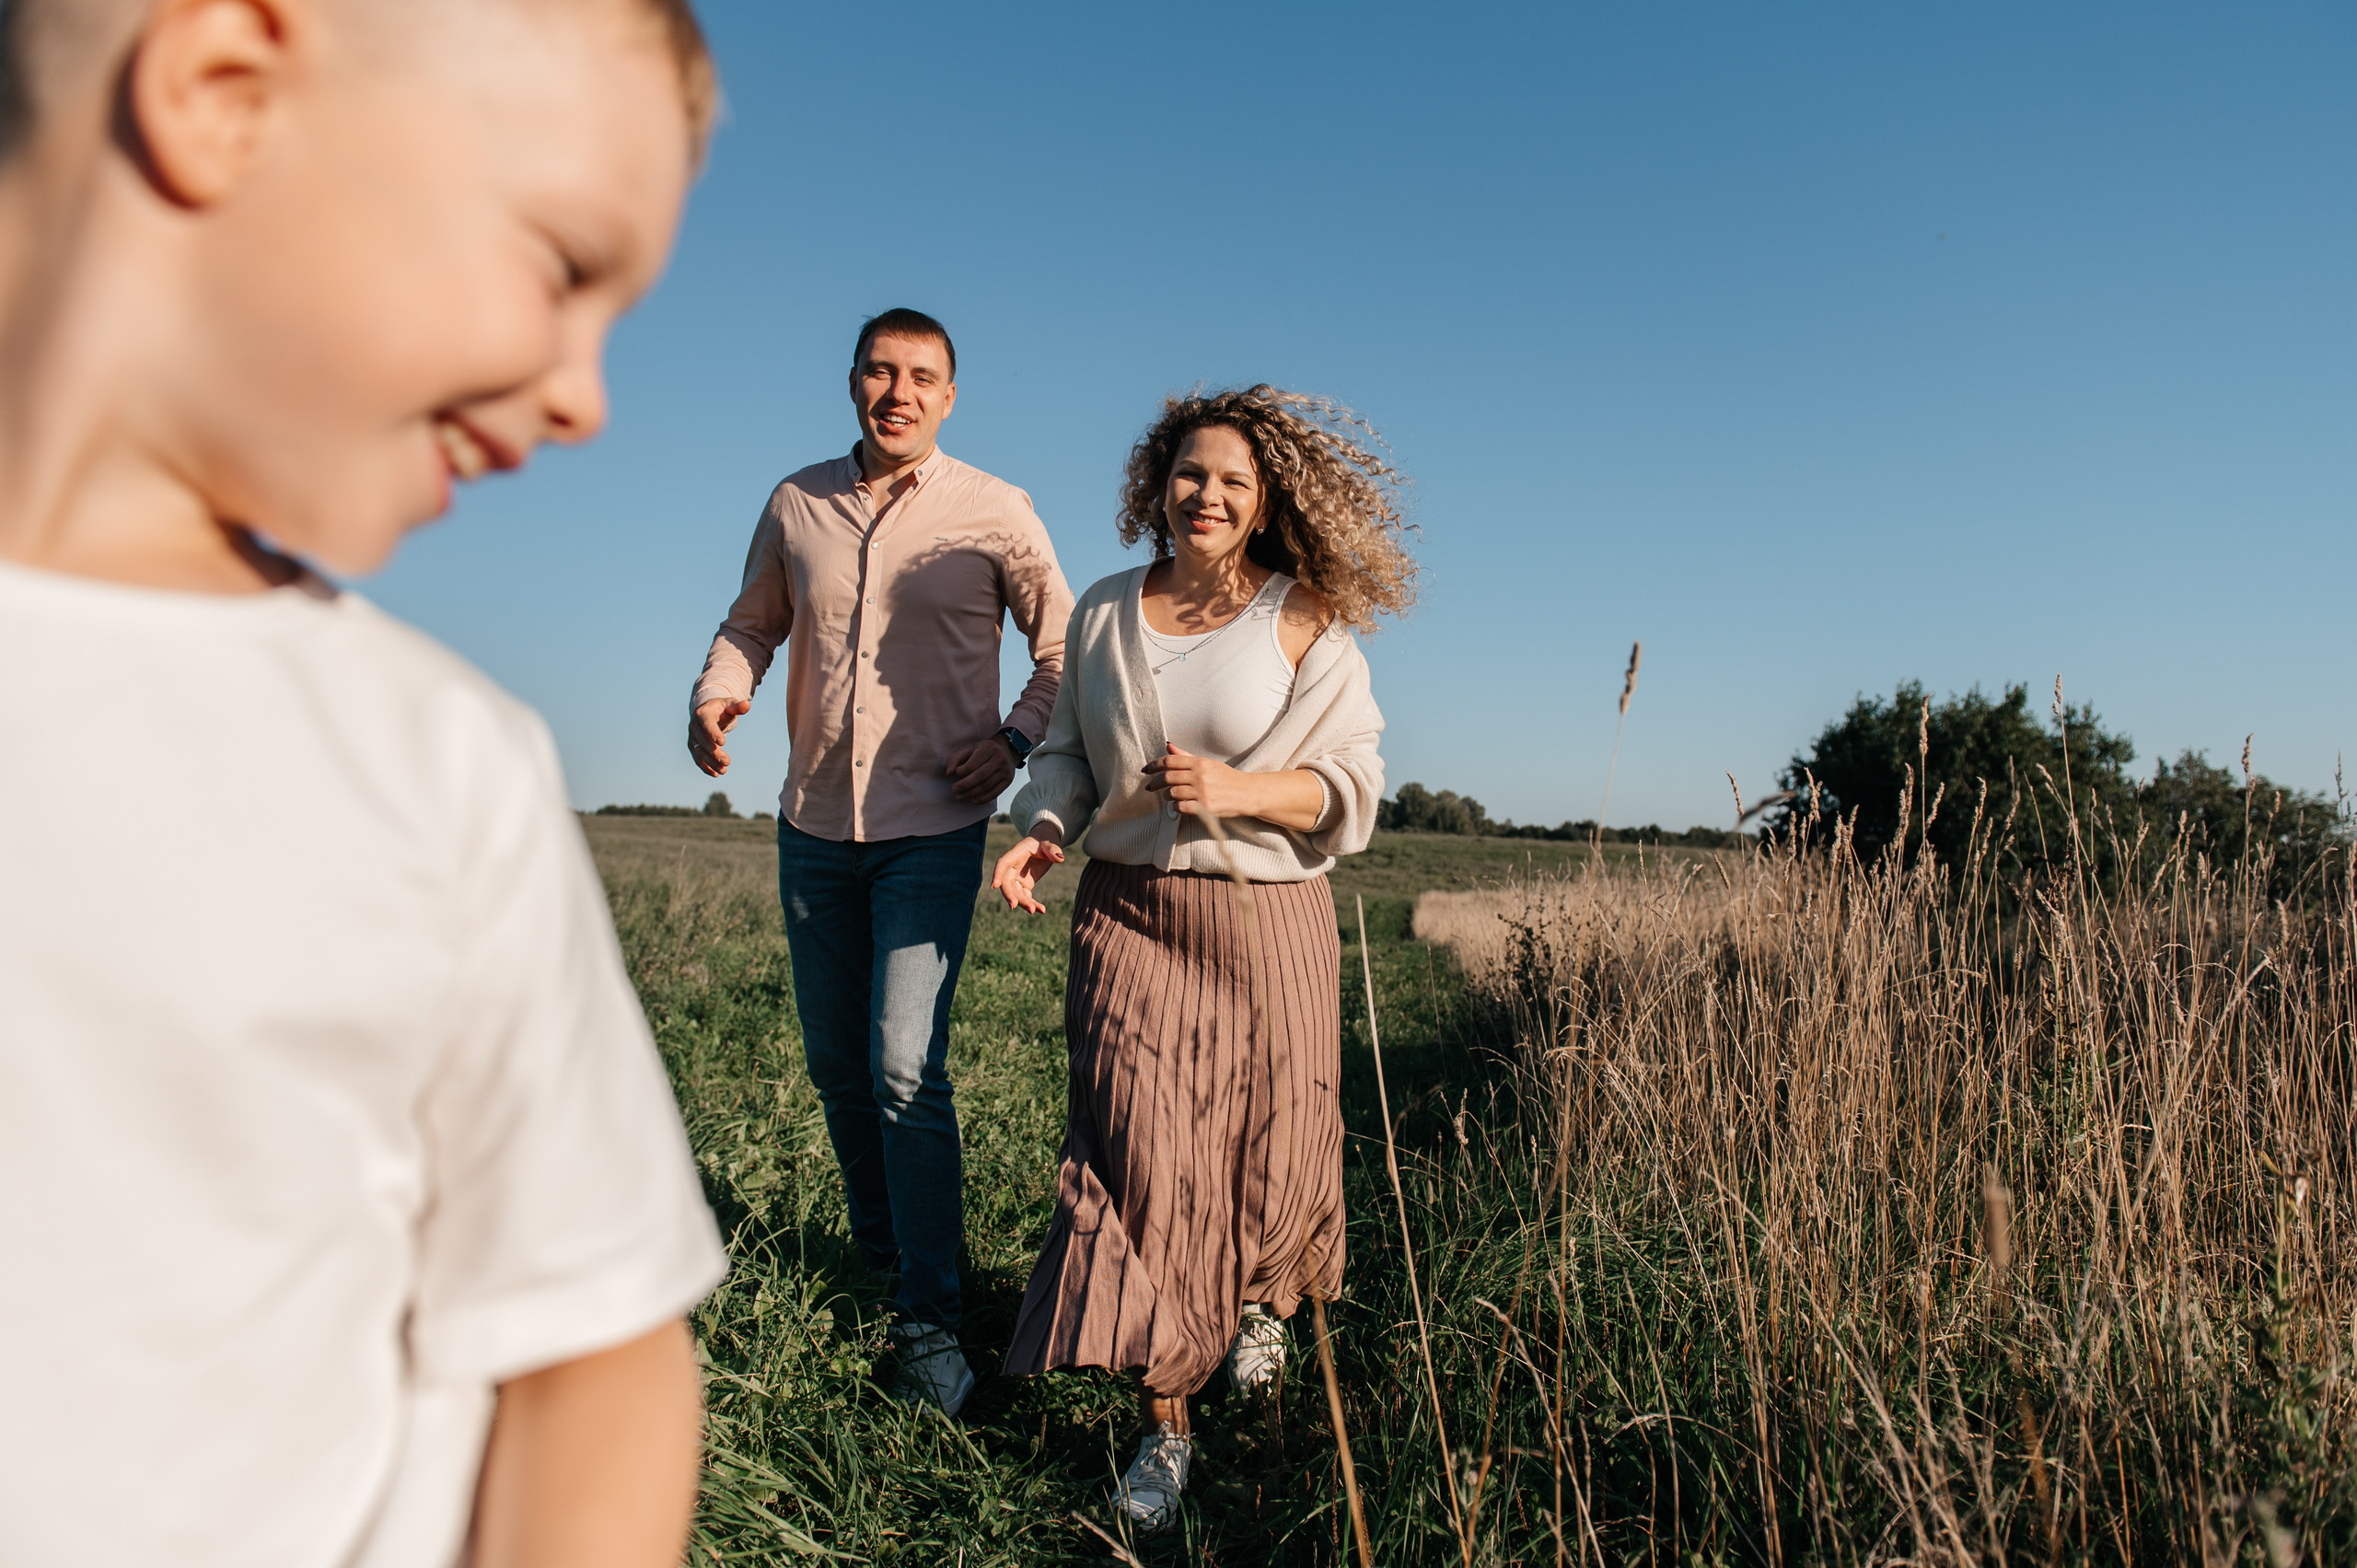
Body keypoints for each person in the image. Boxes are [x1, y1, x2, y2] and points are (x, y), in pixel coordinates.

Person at [0, 3, 729, 1565]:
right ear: (223, 94)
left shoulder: (434, 762)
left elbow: (593, 1343)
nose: (587, 395)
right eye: (561, 264)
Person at [990, 386, 1417, 1529]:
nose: (1207, 494)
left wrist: (1240, 791)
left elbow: (1357, 785)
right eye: (1189, 474)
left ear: (1265, 496)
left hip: (1267, 923)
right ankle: (1164, 1424)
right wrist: (1040, 832)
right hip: (1129, 918)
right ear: (1156, 485)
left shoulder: (1306, 619)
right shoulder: (1104, 612)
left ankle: (1259, 1307)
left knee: (1270, 1147)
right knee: (1138, 1161)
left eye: (1232, 479)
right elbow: (1072, 760)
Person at [689, 308, 1073, 1415]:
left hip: (931, 825)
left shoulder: (997, 511)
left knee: (905, 1066)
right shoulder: (795, 501)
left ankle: (933, 1315)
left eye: (921, 377)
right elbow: (752, 621)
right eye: (879, 371)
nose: (897, 391)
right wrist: (720, 693)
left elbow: (1060, 647)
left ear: (950, 396)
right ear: (853, 381)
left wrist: (1010, 740)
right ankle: (885, 1262)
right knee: (840, 1069)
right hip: (811, 822)